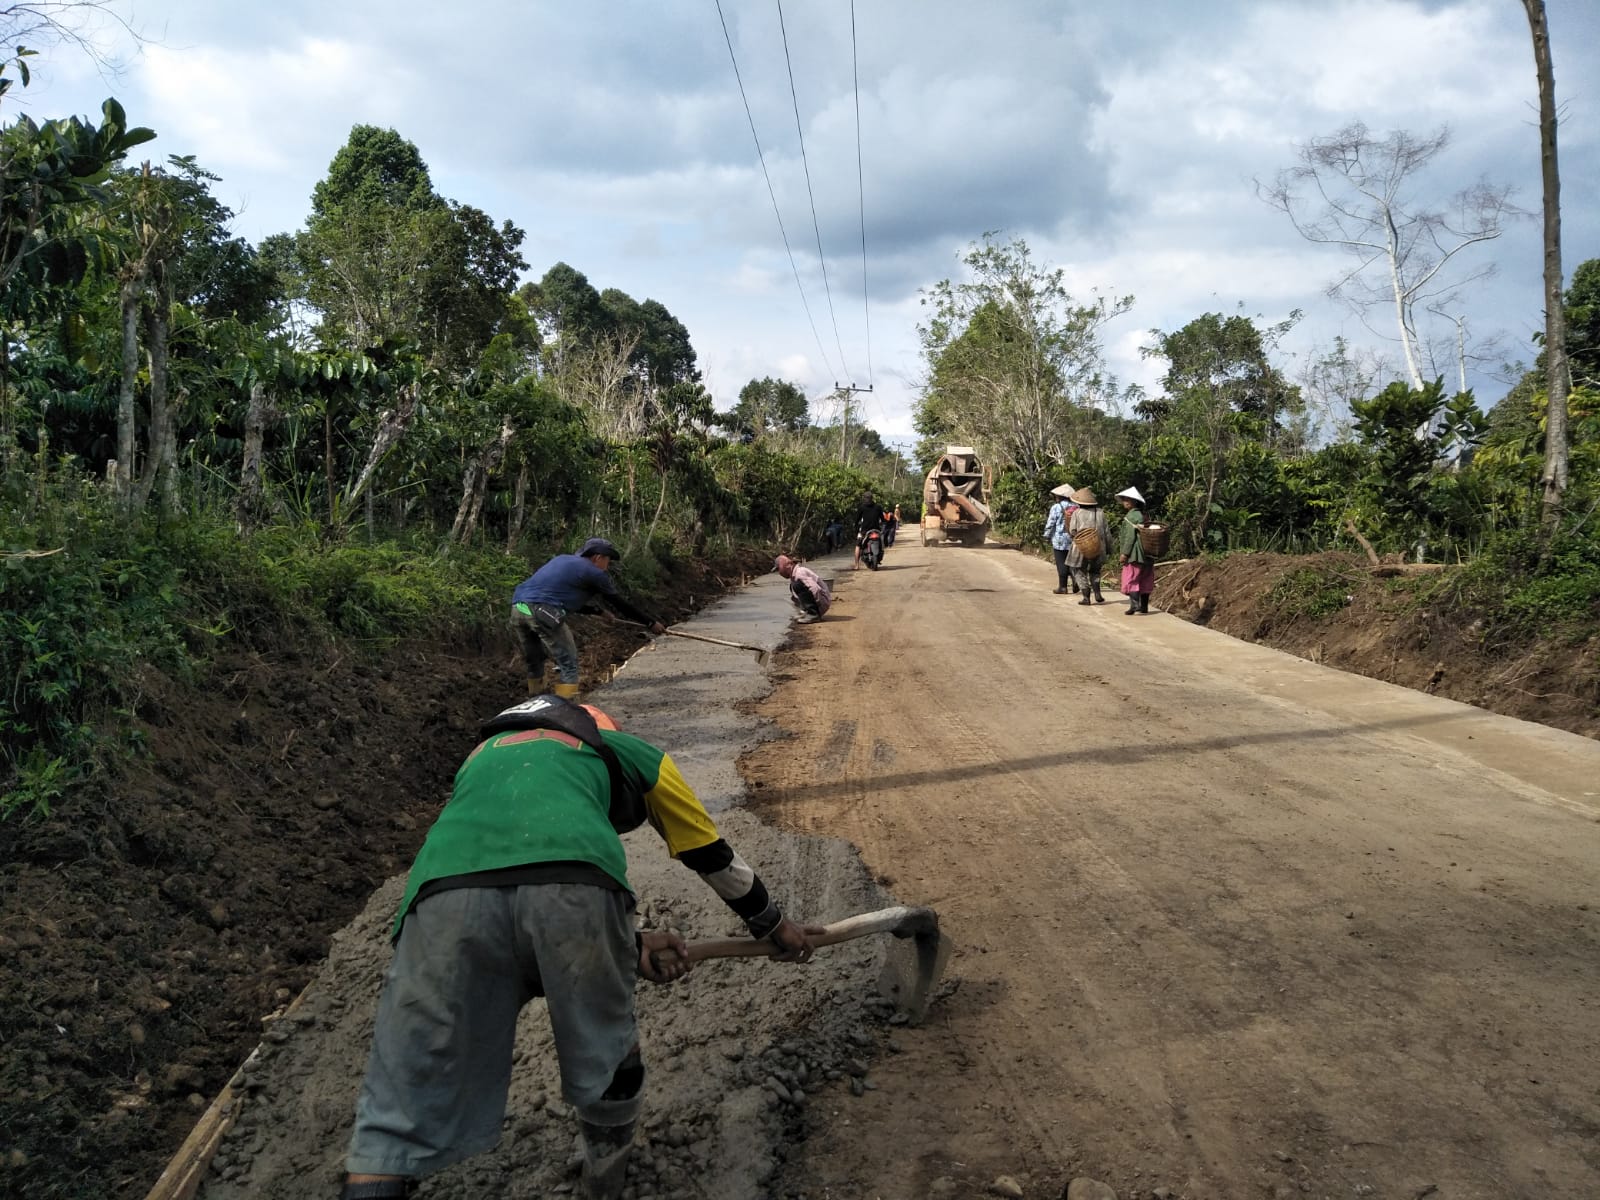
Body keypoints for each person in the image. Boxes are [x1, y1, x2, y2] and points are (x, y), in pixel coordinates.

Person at [340, 695, 819, 1200]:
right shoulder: (628, 750)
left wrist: (627, 945)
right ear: (597, 729)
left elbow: (507, 890)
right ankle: (603, 1181)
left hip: (439, 902)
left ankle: (377, 1175)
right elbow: (708, 852)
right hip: (580, 888)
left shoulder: (482, 756)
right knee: (612, 1052)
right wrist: (773, 923)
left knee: (395, 1111)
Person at [511, 538, 666, 698]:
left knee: (534, 659)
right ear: (598, 557)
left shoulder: (562, 560)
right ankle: (567, 707)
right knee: (569, 662)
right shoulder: (595, 573)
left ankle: (535, 698)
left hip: (519, 608)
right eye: (608, 561)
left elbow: (557, 598)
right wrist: (650, 622)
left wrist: (598, 612)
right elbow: (620, 604)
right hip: (542, 610)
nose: (607, 566)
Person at [1066, 487, 1111, 605]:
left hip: (1081, 547)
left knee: (1078, 570)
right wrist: (1109, 548)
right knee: (1095, 570)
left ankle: (1086, 596)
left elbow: (1072, 530)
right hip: (1098, 546)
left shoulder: (1076, 513)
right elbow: (1106, 532)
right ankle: (1097, 593)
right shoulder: (1100, 512)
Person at [1116, 486, 1156, 615]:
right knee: (1145, 578)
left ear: (1134, 501)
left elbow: (1130, 537)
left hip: (1135, 553)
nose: (1125, 502)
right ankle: (1144, 607)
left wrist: (1124, 553)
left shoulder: (1131, 516)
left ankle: (1135, 605)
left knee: (1131, 577)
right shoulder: (1144, 515)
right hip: (1148, 553)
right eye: (1124, 499)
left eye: (1128, 499)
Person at [1042, 484, 1079, 594]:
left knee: (1061, 563)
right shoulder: (1077, 507)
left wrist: (1046, 535)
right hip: (1074, 539)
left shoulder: (1056, 507)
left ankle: (1063, 587)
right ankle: (1075, 579)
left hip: (1059, 540)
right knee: (1072, 562)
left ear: (1059, 496)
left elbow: (1051, 523)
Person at [775, 554, 831, 622]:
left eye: (779, 568)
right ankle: (806, 612)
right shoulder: (794, 575)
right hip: (819, 602)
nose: (779, 573)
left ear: (788, 565)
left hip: (822, 602)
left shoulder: (799, 573)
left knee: (797, 585)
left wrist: (816, 608)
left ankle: (813, 614)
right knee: (795, 586)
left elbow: (815, 589)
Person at [853, 490, 885, 570]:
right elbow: (883, 519)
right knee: (882, 542)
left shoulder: (862, 507)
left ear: (864, 499)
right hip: (876, 530)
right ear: (872, 498)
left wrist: (856, 528)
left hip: (865, 531)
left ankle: (856, 565)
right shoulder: (878, 507)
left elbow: (857, 520)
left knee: (858, 545)